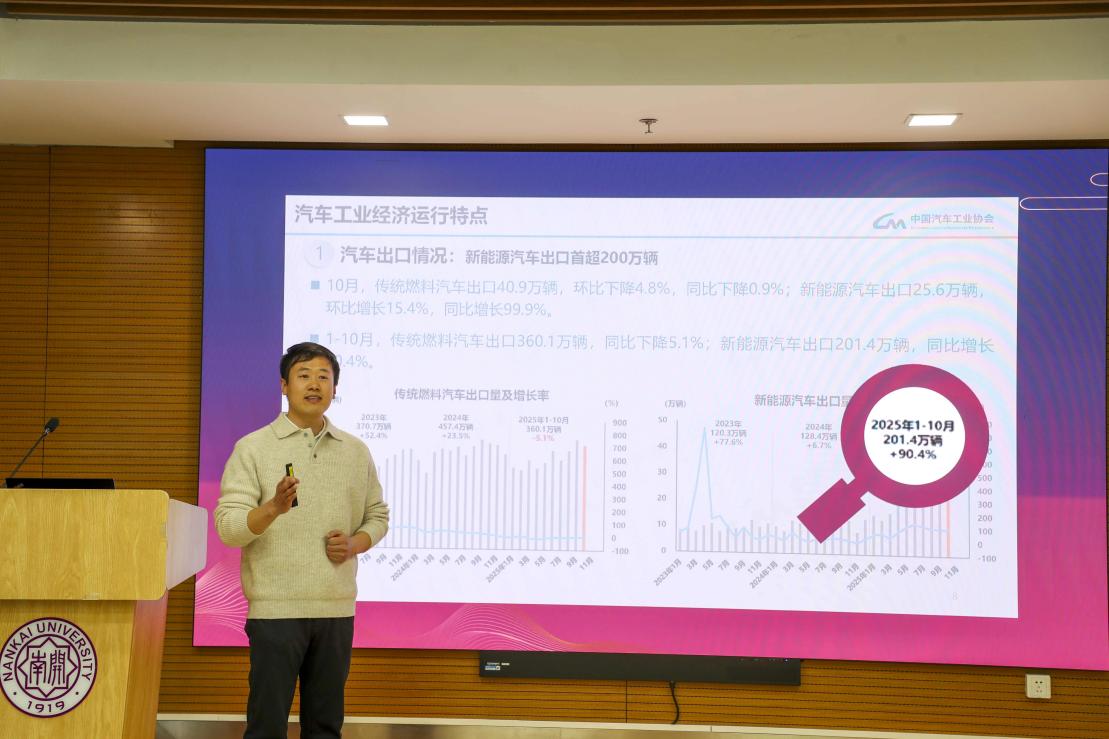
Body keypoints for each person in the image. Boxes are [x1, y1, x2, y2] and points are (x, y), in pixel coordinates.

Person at [214, 341, 389, 738]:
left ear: (334, 388)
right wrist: (274, 507)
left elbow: (377, 516)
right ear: (284, 385)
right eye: (304, 375)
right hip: (275, 611)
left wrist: (355, 543)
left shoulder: (355, 451)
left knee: (325, 727)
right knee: (266, 727)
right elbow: (228, 528)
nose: (314, 384)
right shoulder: (253, 448)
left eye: (323, 377)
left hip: (335, 610)